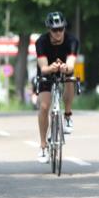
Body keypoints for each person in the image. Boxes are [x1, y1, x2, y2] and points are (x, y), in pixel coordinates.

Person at [33, 11, 79, 163]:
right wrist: (51, 68)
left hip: (64, 69)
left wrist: (66, 68)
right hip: (47, 71)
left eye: (61, 29)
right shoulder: (41, 42)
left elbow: (71, 65)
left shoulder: (72, 41)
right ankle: (43, 146)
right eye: (55, 30)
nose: (58, 33)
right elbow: (43, 67)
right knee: (44, 107)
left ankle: (67, 115)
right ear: (49, 30)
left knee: (71, 80)